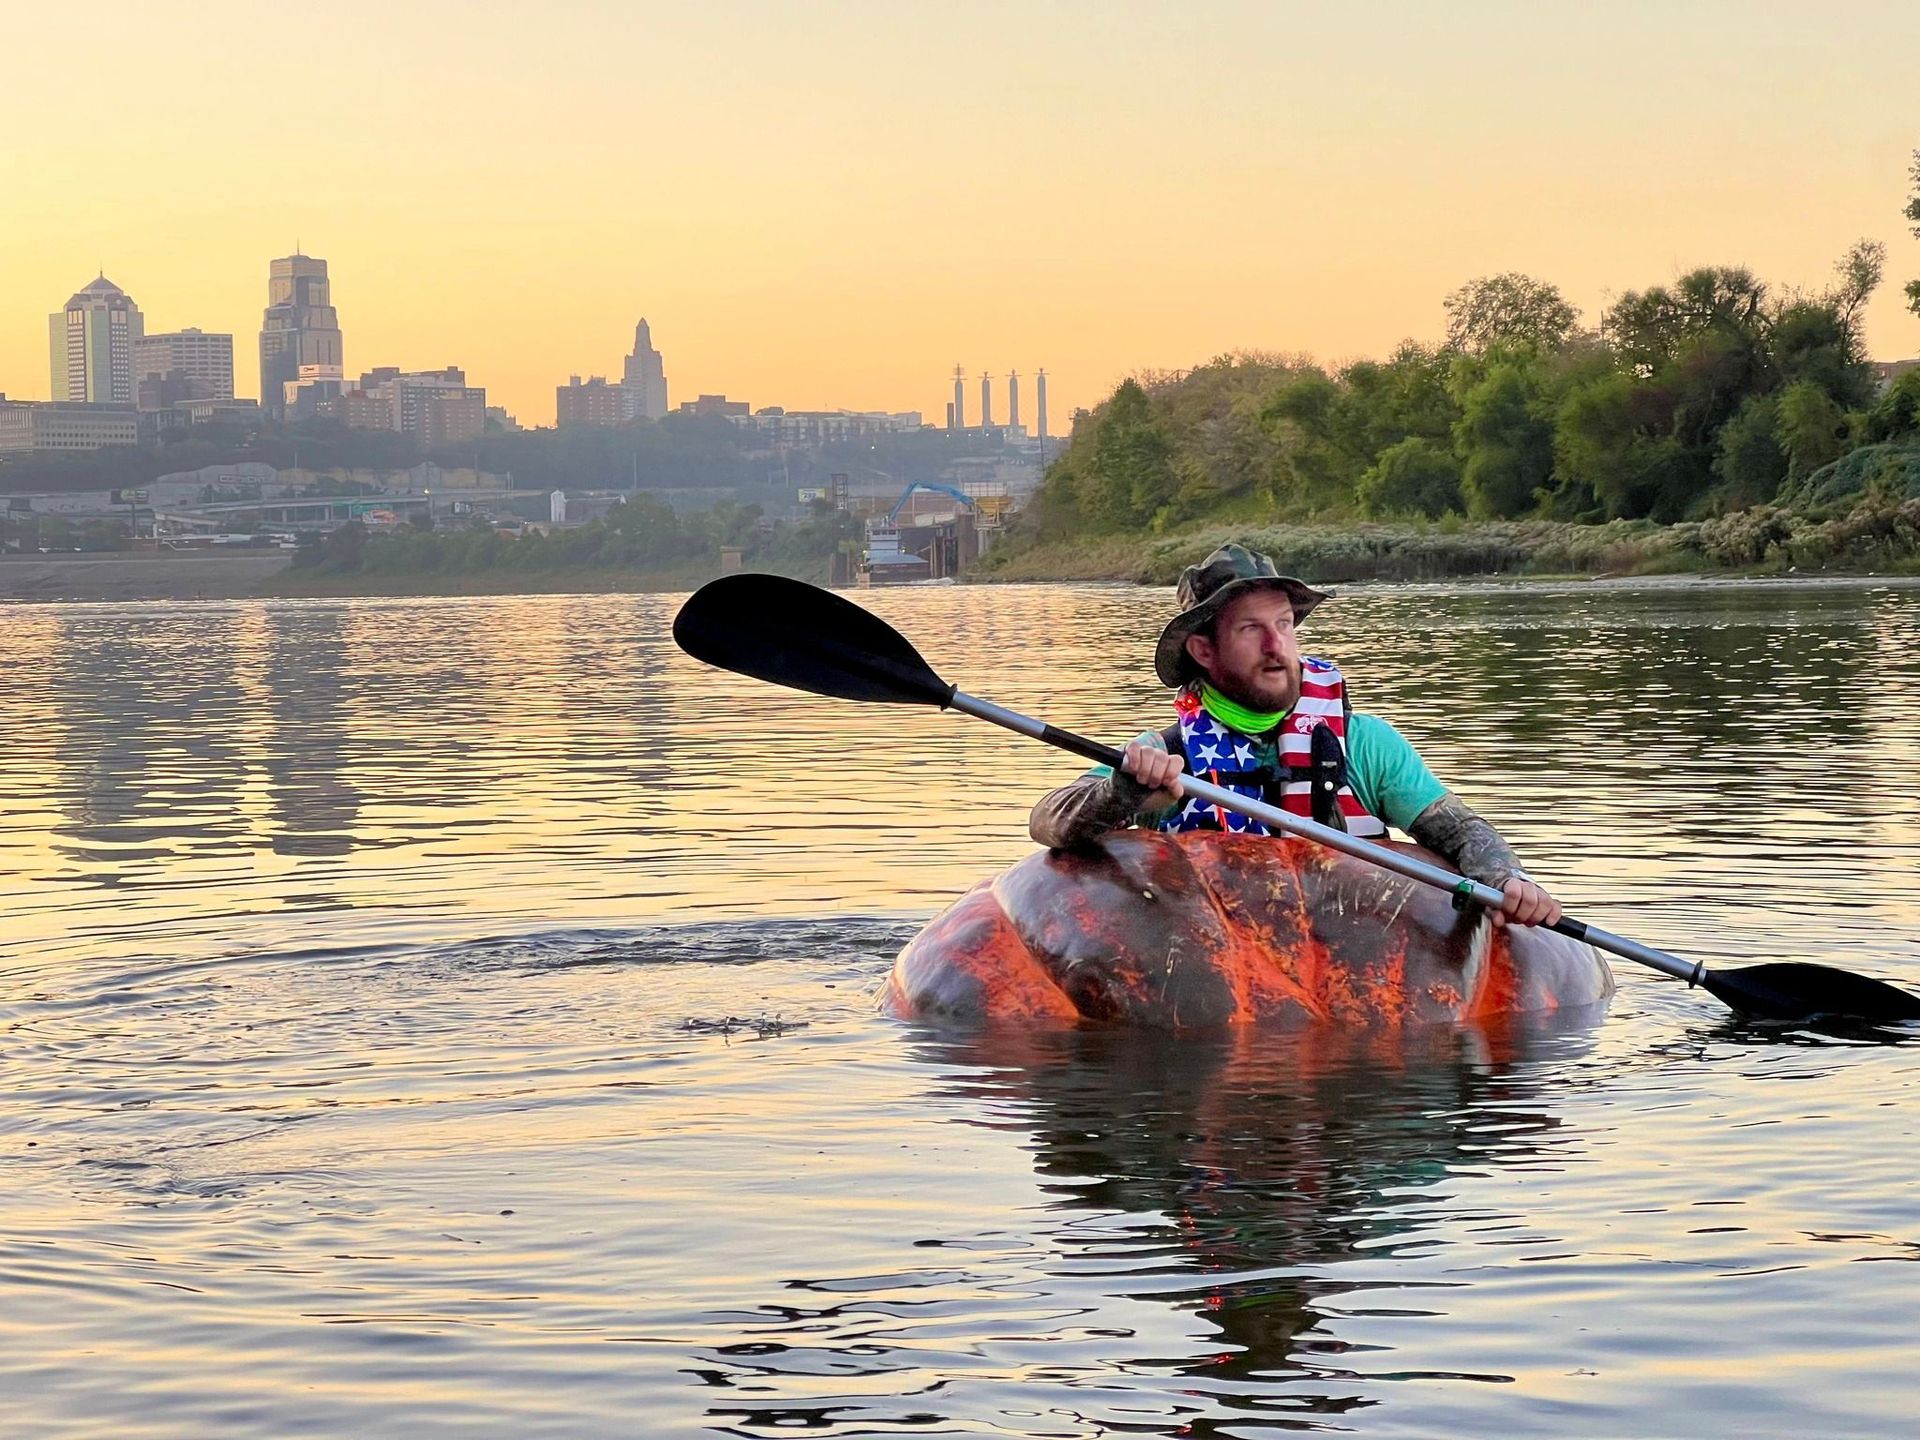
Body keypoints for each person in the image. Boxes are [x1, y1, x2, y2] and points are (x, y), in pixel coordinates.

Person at [1029, 544, 1561, 928]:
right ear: (1204, 652)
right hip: (1216, 965)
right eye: (1249, 629)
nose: (1276, 646)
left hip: (1350, 957)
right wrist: (1123, 793)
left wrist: (1507, 878)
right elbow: (1048, 821)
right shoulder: (1162, 755)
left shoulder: (1366, 743)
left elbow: (1464, 834)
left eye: (1284, 624)